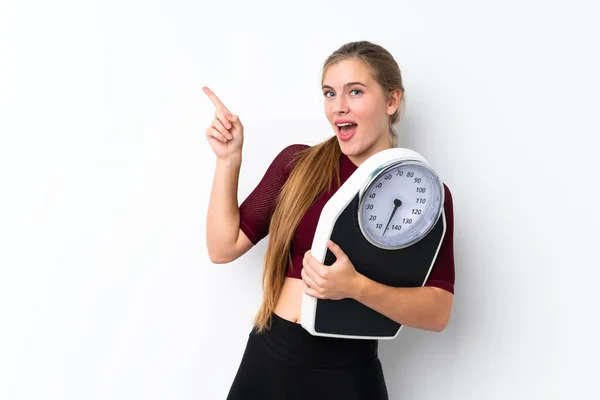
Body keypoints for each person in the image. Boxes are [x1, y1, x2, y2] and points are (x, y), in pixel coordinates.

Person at [204, 40, 455, 400]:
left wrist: (354, 287)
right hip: (270, 361)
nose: (338, 107)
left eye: (355, 91)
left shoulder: (427, 196)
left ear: (392, 100)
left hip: (349, 375)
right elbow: (222, 247)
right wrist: (228, 160)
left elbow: (438, 312)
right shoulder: (298, 165)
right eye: (329, 93)